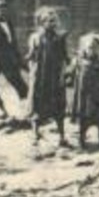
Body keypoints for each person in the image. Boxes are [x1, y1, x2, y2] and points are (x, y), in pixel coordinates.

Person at [26, 8, 70, 147]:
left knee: (58, 105)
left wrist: (66, 72)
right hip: (40, 76)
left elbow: (65, 57)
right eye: (49, 21)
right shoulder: (35, 37)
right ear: (42, 23)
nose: (53, 24)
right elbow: (31, 55)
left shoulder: (60, 38)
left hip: (54, 76)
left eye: (54, 21)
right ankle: (35, 133)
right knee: (36, 103)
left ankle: (62, 135)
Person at [68, 33, 99, 150]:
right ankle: (82, 141)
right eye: (89, 47)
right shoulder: (80, 64)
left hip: (98, 98)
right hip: (84, 97)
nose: (92, 50)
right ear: (84, 49)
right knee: (84, 121)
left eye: (95, 48)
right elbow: (70, 76)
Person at [0, 0, 29, 103]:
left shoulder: (9, 24)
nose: (2, 13)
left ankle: (25, 106)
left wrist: (19, 58)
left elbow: (13, 43)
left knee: (22, 85)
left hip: (13, 58)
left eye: (4, 11)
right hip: (1, 61)